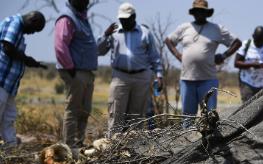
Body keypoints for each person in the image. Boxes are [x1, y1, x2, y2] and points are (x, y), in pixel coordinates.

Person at [165, 0, 242, 128]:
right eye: (197, 11)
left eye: (202, 11)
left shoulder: (216, 29)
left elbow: (237, 42)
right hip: (187, 80)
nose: (199, 13)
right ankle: (186, 145)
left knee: (209, 117)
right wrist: (178, 55)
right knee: (187, 118)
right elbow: (168, 40)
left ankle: (210, 145)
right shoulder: (185, 27)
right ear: (193, 13)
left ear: (207, 13)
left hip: (208, 80)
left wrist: (224, 55)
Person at [98, 2, 163, 137]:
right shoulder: (113, 32)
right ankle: (112, 147)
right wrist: (105, 35)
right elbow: (99, 51)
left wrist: (159, 75)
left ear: (134, 17)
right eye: (122, 19)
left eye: (127, 19)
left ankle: (133, 150)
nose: (124, 21)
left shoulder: (145, 33)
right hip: (120, 77)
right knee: (116, 114)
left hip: (141, 77)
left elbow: (154, 56)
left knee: (136, 117)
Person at [54, 0, 98, 148]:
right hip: (75, 71)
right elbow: (60, 45)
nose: (86, 2)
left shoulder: (81, 18)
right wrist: (70, 68)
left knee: (85, 109)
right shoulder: (67, 18)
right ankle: (69, 146)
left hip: (86, 72)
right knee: (73, 109)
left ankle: (78, 143)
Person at [0, 11, 47, 149]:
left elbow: (14, 52)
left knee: (8, 118)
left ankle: (11, 150)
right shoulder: (14, 23)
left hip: (8, 85)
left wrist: (29, 62)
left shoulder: (19, 29)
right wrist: (26, 59)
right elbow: (8, 48)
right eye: (34, 30)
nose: (32, 33)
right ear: (32, 20)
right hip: (1, 80)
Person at [234, 26, 263, 102]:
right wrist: (253, 64)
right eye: (257, 40)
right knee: (248, 108)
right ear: (253, 36)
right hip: (247, 83)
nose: (259, 43)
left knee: (262, 108)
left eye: (262, 40)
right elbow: (236, 63)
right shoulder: (245, 44)